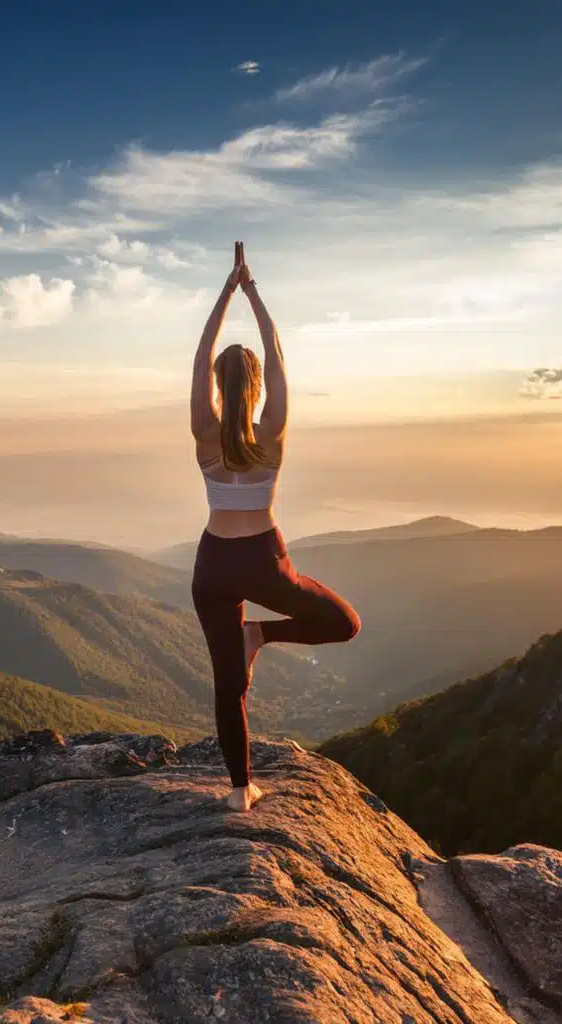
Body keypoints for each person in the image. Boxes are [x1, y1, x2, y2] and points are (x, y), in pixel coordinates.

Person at [190, 241, 360, 813]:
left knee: (226, 681)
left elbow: (201, 353)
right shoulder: (273, 433)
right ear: (258, 386)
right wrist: (251, 289)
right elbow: (275, 349)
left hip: (213, 562)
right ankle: (260, 634)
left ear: (217, 384)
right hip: (264, 560)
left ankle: (240, 790)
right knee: (344, 623)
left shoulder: (205, 433)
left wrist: (224, 293)